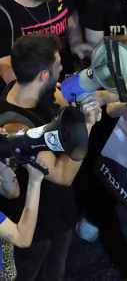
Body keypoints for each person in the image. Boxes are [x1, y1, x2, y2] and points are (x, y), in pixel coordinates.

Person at [0, 35, 98, 281]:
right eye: (57, 64)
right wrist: (87, 126)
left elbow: (60, 98)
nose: (63, 67)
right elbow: (63, 176)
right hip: (40, 225)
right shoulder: (20, 129)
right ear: (43, 75)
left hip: (56, 213)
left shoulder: (18, 87)